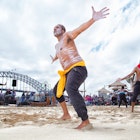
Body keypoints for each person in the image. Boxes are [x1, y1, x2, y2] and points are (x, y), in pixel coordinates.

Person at [50, 6, 109, 129]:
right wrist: (54, 58)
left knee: (70, 88)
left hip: (78, 68)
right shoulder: (56, 46)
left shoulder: (67, 35)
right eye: (54, 28)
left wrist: (92, 19)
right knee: (57, 92)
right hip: (67, 72)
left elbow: (80, 29)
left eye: (57, 27)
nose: (55, 28)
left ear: (63, 29)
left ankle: (85, 121)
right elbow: (59, 53)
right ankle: (66, 114)